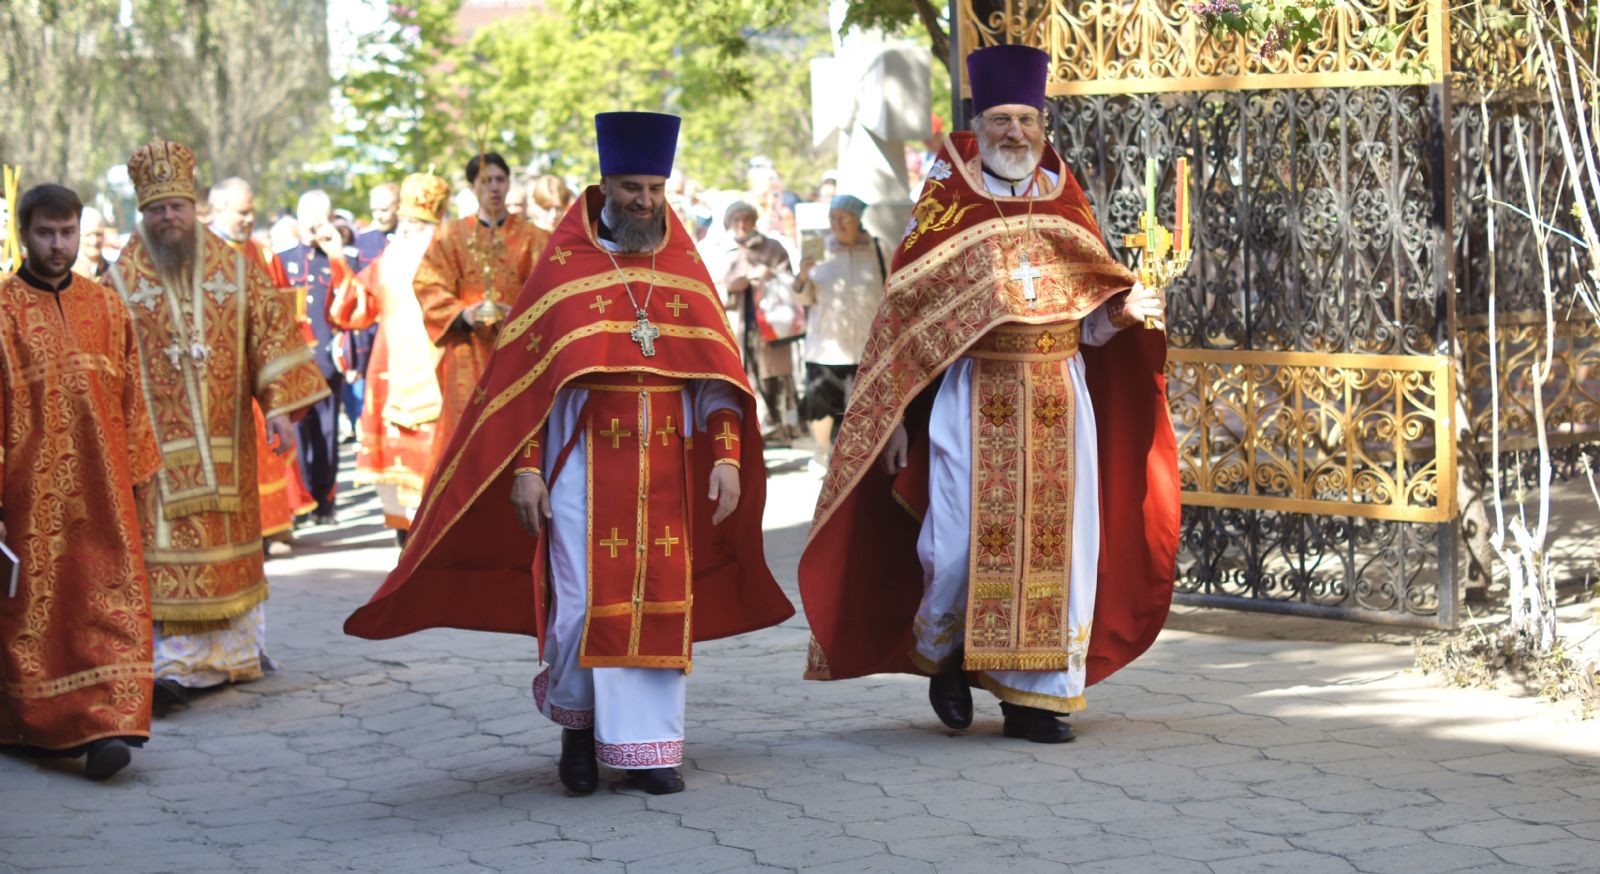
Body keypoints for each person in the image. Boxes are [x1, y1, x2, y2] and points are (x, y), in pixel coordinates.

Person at [345, 112, 793, 797]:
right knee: (580, 606)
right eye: (631, 186)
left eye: (654, 187)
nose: (644, 200)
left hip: (666, 466)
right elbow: (526, 383)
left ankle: (649, 749)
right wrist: (526, 471)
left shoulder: (680, 261)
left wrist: (727, 458)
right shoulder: (565, 263)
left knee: (659, 601)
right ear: (606, 183)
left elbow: (715, 378)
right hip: (582, 464)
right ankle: (579, 732)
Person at [798, 45, 1180, 744]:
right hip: (972, 398)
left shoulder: (1066, 199)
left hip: (1060, 397)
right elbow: (905, 329)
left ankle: (1034, 700)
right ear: (982, 122)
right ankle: (945, 655)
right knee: (954, 546)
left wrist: (1121, 316)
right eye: (1002, 118)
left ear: (1042, 124)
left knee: (1057, 548)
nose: (1015, 132)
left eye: (1027, 119)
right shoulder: (947, 209)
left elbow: (1088, 321)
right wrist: (892, 424)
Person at [105, 141, 330, 706]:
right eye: (157, 209)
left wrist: (279, 405)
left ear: (194, 205)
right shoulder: (119, 282)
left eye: (176, 206)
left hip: (229, 439)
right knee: (164, 554)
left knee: (232, 542)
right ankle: (172, 666)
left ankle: (235, 654)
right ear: (144, 212)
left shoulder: (236, 267)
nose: (168, 218)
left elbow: (271, 334)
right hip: (155, 454)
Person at [0, 184, 163, 780]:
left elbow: (130, 398)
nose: (58, 245)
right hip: (29, 494)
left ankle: (111, 724)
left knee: (112, 599)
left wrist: (143, 473)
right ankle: (40, 725)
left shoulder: (105, 305)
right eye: (46, 233)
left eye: (67, 232)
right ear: (25, 233)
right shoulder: (3, 311)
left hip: (106, 487)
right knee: (39, 609)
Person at [327, 173, 451, 545]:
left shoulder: (453, 258)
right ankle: (406, 537)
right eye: (407, 223)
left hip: (443, 372)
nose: (411, 231)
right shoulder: (389, 258)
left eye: (419, 224)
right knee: (402, 478)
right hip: (394, 372)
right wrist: (336, 257)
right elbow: (356, 309)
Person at [412, 152, 548, 460]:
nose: (495, 188)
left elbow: (550, 289)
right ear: (473, 187)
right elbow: (428, 284)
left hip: (518, 350)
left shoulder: (535, 237)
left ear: (509, 183)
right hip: (467, 349)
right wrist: (463, 313)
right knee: (465, 434)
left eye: (500, 180)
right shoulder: (448, 236)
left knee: (516, 431)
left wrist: (520, 313)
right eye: (486, 181)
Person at [209, 178, 315, 554]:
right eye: (242, 212)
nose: (250, 218)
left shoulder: (262, 253)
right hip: (216, 374)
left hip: (261, 370)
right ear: (217, 209)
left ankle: (274, 526)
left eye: (252, 210)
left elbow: (284, 309)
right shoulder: (201, 254)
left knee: (268, 451)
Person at [794, 194, 885, 473]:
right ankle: (821, 453)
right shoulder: (818, 250)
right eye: (832, 218)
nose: (836, 223)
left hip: (866, 347)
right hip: (825, 346)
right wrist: (803, 275)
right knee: (820, 405)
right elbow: (803, 298)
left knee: (864, 408)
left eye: (843, 218)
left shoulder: (878, 250)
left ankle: (860, 457)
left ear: (858, 220)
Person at [278, 190, 348, 525]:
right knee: (298, 435)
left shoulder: (335, 260)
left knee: (326, 434)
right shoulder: (282, 258)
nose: (315, 222)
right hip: (294, 365)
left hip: (324, 363)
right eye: (310, 215)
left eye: (323, 215)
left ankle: (325, 500)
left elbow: (350, 302)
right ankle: (303, 501)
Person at [720, 201, 799, 441]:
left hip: (770, 326)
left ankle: (777, 428)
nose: (741, 224)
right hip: (735, 326)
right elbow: (710, 287)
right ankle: (751, 435)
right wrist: (730, 288)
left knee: (772, 379)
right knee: (741, 379)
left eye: (746, 218)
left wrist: (768, 275)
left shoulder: (772, 247)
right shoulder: (720, 251)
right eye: (736, 219)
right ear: (728, 223)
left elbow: (789, 281)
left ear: (754, 221)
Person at [358, 182, 399, 262]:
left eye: (384, 210)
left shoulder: (412, 239)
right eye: (374, 210)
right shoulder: (363, 239)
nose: (377, 216)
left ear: (398, 207)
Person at [72, 206, 113, 278]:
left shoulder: (113, 272)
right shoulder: (66, 272)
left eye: (98, 234)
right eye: (88, 235)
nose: (94, 241)